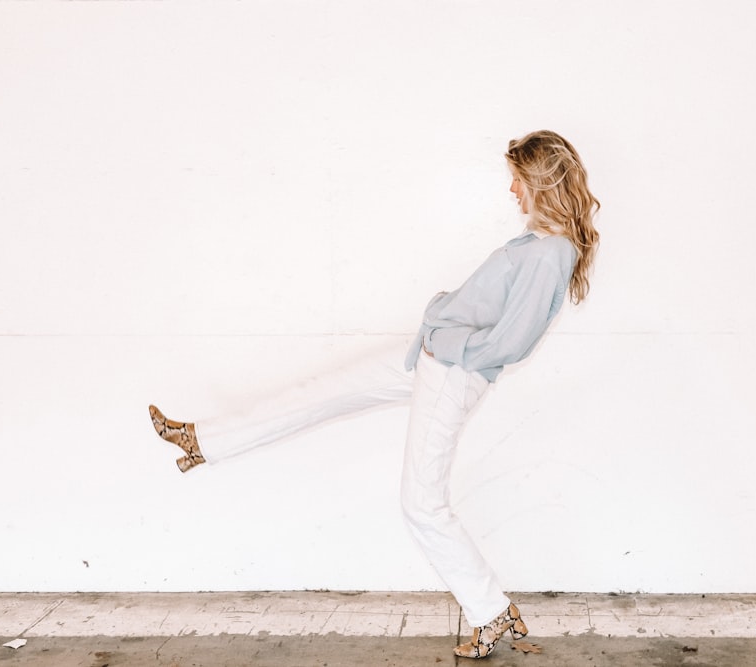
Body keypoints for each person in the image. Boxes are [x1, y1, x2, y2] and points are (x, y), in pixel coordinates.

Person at [149, 129, 600, 659]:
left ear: (542, 182)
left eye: (518, 181)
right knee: (326, 391)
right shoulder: (538, 243)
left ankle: (491, 612)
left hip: (450, 370)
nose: (512, 192)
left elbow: (510, 343)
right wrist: (442, 318)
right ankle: (203, 440)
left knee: (422, 504)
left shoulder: (550, 255)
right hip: (433, 356)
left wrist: (445, 336)